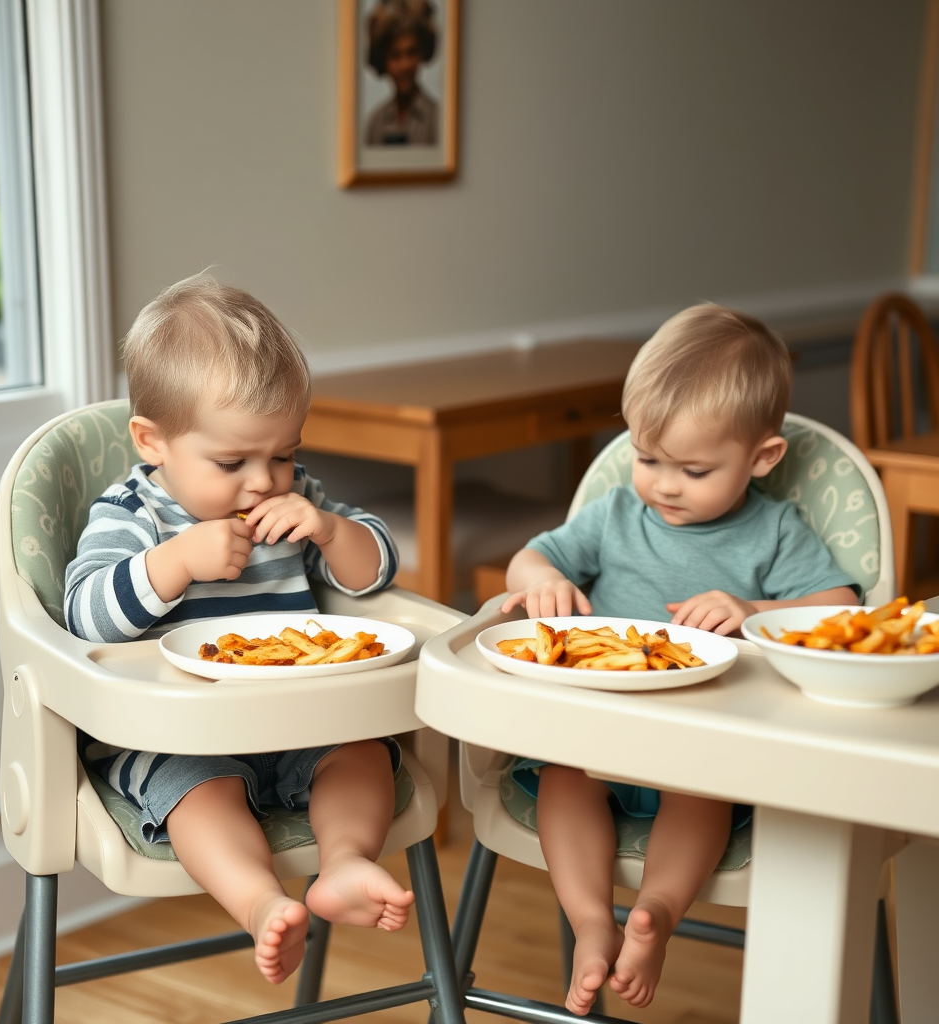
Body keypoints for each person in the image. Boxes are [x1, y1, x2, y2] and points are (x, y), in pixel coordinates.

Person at [500, 303, 859, 1014]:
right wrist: (541, 579)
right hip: (597, 735)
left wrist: (755, 612)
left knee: (700, 801)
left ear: (763, 458)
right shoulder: (612, 516)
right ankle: (592, 923)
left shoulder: (775, 530)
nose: (663, 484)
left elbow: (842, 609)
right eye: (647, 458)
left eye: (693, 469)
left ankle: (657, 913)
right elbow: (532, 557)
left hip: (708, 745)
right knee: (564, 786)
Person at [65, 273, 410, 986]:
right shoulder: (135, 514)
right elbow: (84, 614)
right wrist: (175, 563)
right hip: (176, 737)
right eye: (232, 463)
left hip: (300, 721)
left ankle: (344, 863)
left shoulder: (296, 498)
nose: (263, 483)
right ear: (152, 441)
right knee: (201, 794)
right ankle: (258, 903)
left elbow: (374, 570)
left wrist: (330, 527)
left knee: (363, 754)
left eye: (282, 454)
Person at [363, 0, 439, 146]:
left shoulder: (438, 119)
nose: (405, 65)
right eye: (395, 55)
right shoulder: (375, 123)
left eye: (411, 53)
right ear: (383, 60)